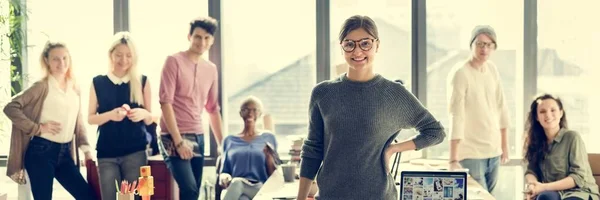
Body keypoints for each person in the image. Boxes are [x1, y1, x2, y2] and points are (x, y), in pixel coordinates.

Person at [297, 15, 446, 200]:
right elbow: (313, 149)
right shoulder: (323, 93)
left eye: (365, 43)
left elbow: (435, 132)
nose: (357, 51)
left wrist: (393, 149)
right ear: (342, 47)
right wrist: (301, 198)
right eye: (350, 44)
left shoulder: (394, 94)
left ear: (377, 45)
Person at [3, 41, 96, 200]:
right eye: (56, 59)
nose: (61, 63)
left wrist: (87, 150)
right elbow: (11, 107)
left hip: (65, 153)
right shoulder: (42, 86)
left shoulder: (75, 87)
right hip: (41, 152)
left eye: (65, 58)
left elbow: (78, 123)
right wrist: (38, 128)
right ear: (46, 60)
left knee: (87, 196)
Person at [158, 16, 224, 200]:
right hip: (172, 136)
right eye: (197, 36)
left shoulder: (211, 69)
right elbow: (165, 102)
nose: (201, 42)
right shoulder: (173, 61)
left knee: (193, 193)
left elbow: (212, 109)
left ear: (211, 41)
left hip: (198, 135)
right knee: (189, 190)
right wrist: (178, 142)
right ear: (189, 36)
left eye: (206, 38)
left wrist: (223, 145)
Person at [87, 32, 153, 200]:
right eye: (119, 55)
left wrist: (142, 113)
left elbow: (151, 118)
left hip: (135, 151)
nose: (124, 60)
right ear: (111, 55)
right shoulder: (98, 82)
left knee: (136, 198)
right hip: (106, 153)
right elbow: (90, 118)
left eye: (128, 55)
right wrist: (110, 115)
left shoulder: (142, 81)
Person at [447, 25, 510, 193]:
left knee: (490, 195)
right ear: (472, 44)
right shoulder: (461, 73)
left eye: (489, 45)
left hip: (494, 151)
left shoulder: (492, 70)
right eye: (480, 44)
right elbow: (456, 114)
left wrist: (504, 146)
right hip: (470, 153)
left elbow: (501, 106)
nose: (485, 49)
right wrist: (453, 159)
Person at [523, 94, 599, 200]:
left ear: (561, 113)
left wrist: (543, 187)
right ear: (536, 117)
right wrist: (533, 185)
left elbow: (578, 177)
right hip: (553, 192)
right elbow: (531, 171)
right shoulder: (536, 142)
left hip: (580, 192)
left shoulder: (573, 137)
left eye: (553, 110)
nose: (548, 115)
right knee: (544, 197)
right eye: (542, 111)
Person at [219, 96, 278, 200]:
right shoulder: (229, 140)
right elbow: (224, 171)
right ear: (240, 113)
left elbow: (275, 175)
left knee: (237, 183)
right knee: (241, 194)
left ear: (259, 113)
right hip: (236, 188)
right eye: (246, 109)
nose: (250, 113)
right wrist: (224, 177)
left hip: (260, 187)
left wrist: (269, 159)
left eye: (254, 110)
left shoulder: (268, 138)